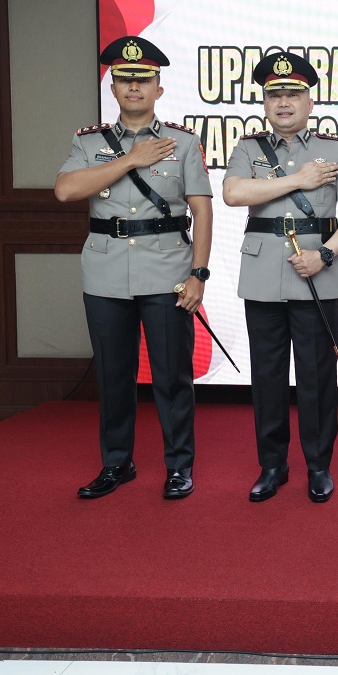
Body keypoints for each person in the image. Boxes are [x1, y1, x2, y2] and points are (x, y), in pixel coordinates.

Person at [55, 35, 213, 501]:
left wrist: (198, 274)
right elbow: (65, 191)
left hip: (167, 271)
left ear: (158, 88)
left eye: (143, 80)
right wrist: (130, 159)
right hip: (105, 273)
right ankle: (116, 464)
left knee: (171, 376)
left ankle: (179, 466)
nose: (134, 88)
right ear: (113, 87)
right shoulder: (89, 141)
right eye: (124, 79)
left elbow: (201, 211)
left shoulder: (181, 142)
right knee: (114, 374)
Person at [223, 51, 338, 503]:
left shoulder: (333, 150)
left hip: (315, 276)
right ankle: (272, 465)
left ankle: (319, 465)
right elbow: (232, 193)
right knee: (267, 376)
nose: (284, 102)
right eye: (275, 94)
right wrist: (297, 180)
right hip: (263, 274)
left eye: (293, 94)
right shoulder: (249, 148)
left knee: (317, 375)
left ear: (309, 100)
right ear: (265, 102)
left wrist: (325, 254)